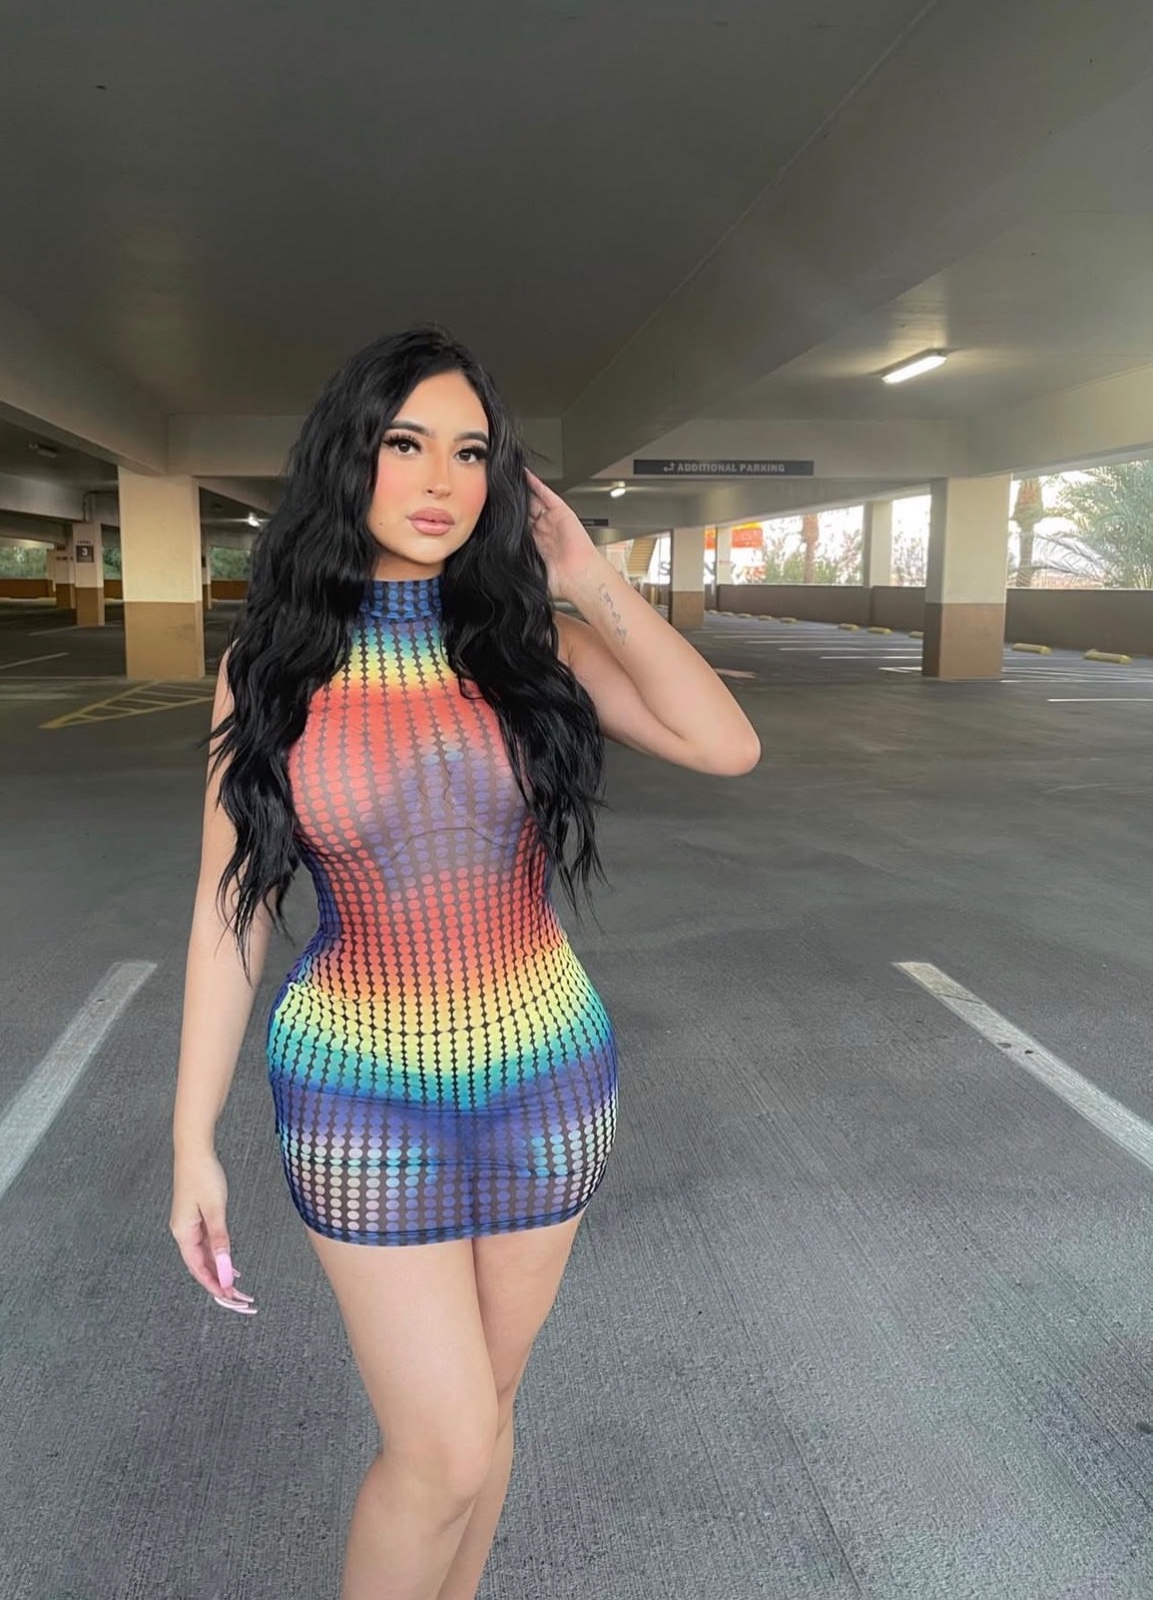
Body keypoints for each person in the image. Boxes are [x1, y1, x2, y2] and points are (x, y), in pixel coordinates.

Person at [169, 325, 760, 1600]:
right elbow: (230, 912)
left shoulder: (526, 649)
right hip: (357, 1091)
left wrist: (588, 576)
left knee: (487, 1412)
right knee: (437, 1447)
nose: (441, 479)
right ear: (350, 459)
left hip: (547, 1078)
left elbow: (726, 745)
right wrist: (190, 1138)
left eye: (471, 452)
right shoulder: (269, 668)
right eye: (406, 444)